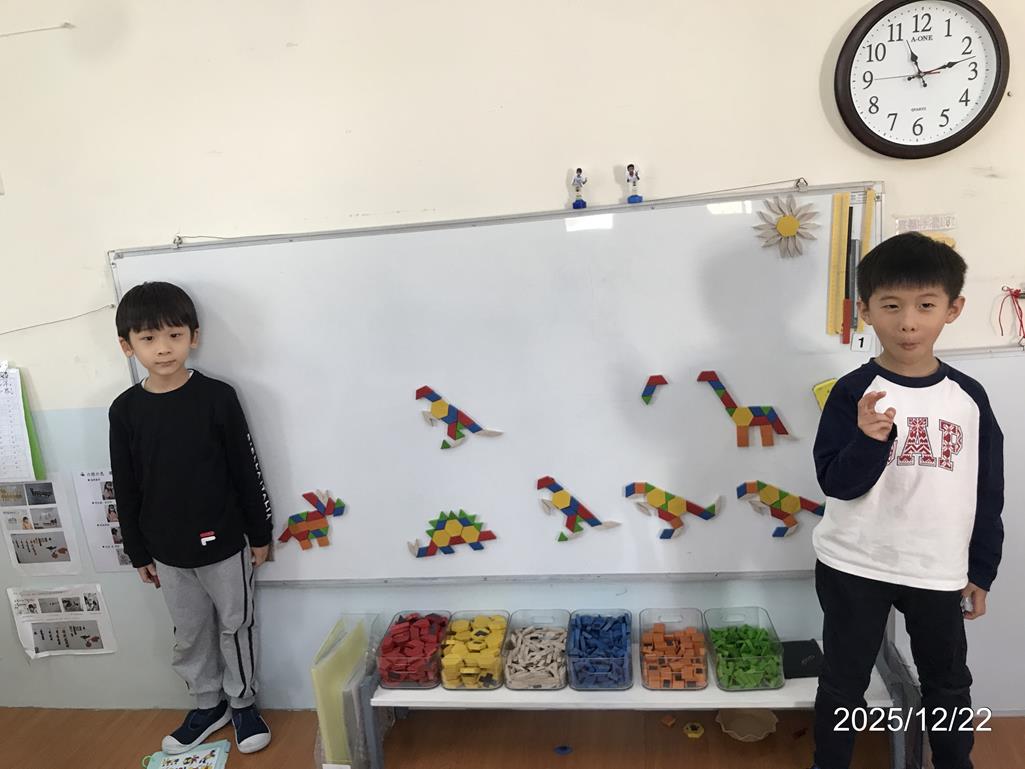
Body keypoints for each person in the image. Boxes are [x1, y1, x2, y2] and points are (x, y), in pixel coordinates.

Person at [808, 232, 1004, 769]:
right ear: (866, 311)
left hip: (937, 567)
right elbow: (836, 482)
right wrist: (869, 441)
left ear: (953, 309)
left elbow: (988, 488)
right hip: (855, 562)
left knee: (948, 681)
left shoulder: (968, 397)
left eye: (926, 305)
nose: (908, 323)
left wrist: (982, 569)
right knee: (843, 681)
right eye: (891, 306)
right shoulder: (853, 392)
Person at [109, 281, 274, 756]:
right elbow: (125, 484)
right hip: (166, 549)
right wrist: (138, 551)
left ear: (193, 337)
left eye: (174, 335)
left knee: (236, 625)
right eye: (148, 338)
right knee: (190, 633)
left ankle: (243, 704)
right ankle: (207, 704)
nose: (163, 348)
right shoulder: (125, 410)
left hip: (225, 541)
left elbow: (246, 468)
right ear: (128, 345)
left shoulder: (217, 397)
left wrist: (259, 533)